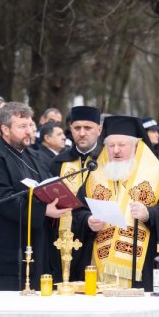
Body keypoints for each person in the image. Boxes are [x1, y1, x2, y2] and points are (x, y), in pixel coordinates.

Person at [75, 115, 159, 292]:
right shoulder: (95, 174)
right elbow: (78, 210)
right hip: (99, 265)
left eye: (122, 145)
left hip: (141, 269)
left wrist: (150, 214)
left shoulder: (156, 174)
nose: (116, 151)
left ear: (135, 146)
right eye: (111, 146)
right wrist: (88, 221)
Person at [0, 102, 62, 289]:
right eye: (22, 127)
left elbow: (46, 186)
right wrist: (44, 210)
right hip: (6, 254)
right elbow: (4, 201)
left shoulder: (33, 156)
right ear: (5, 129)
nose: (30, 131)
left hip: (36, 248)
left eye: (31, 125)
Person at [51, 105, 103, 281]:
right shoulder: (58, 163)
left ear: (99, 129)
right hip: (63, 239)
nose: (82, 133)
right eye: (77, 128)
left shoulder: (108, 161)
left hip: (98, 235)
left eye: (87, 128)